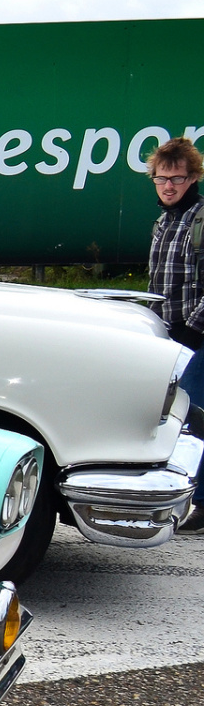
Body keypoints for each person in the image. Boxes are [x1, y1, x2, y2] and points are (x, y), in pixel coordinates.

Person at [145, 136, 204, 531]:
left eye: (178, 179)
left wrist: (193, 328)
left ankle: (199, 501)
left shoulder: (200, 220)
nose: (169, 186)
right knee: (172, 417)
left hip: (196, 336)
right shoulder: (163, 222)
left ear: (194, 178)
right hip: (170, 335)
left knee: (195, 418)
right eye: (162, 179)